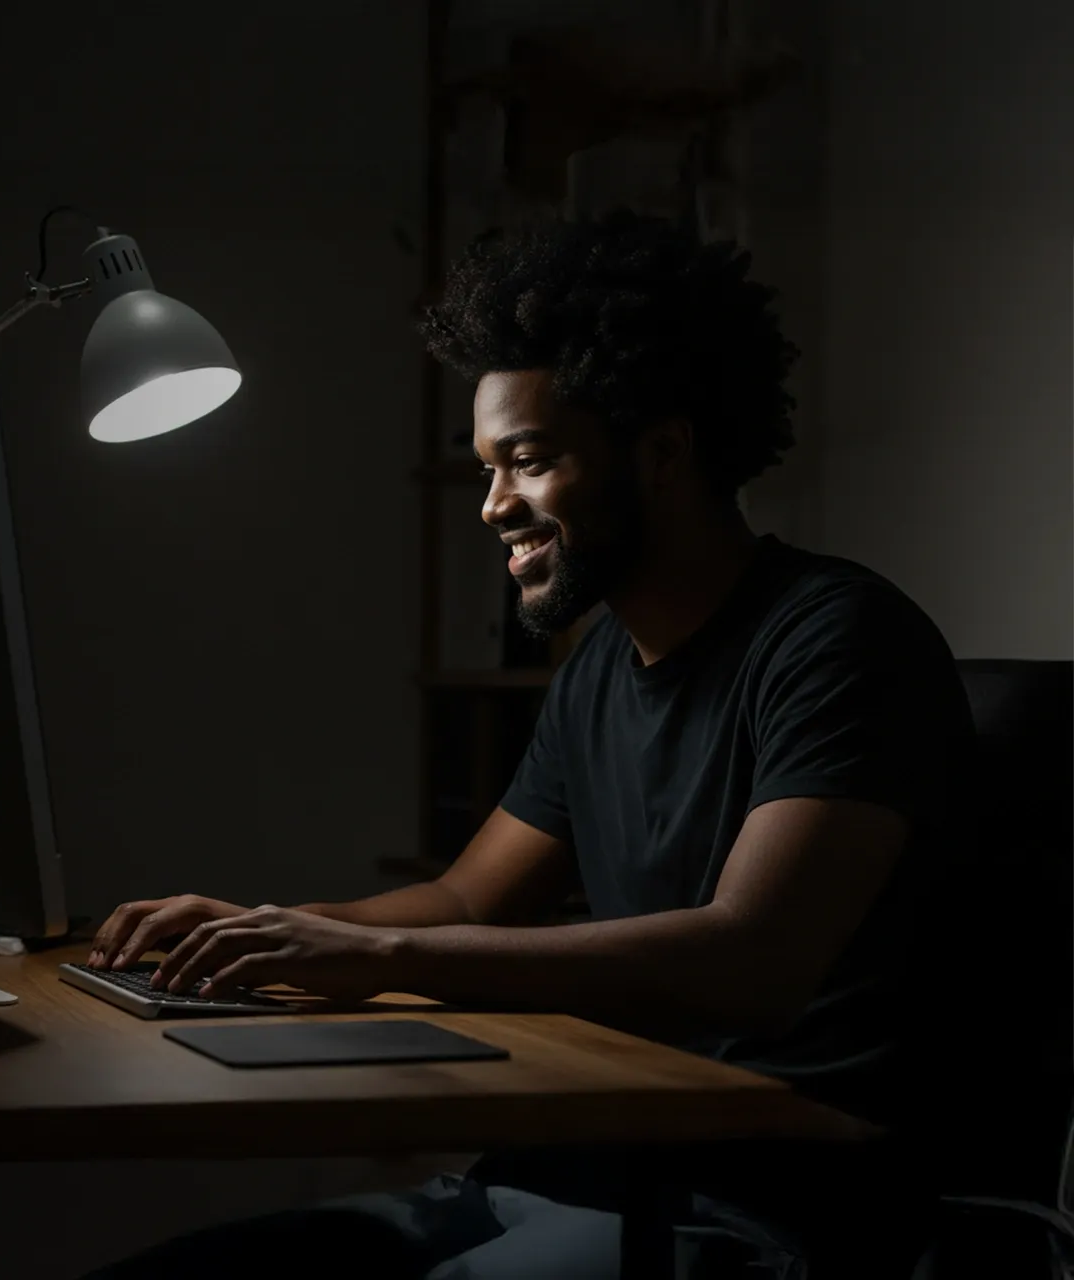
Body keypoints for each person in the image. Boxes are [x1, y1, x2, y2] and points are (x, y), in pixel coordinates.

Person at [81, 210, 974, 1279]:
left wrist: (379, 959)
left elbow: (752, 959)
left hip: (758, 1205)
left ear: (661, 451)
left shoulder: (838, 639)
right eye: (487, 468)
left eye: (530, 461)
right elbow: (465, 901)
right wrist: (267, 930)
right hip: (564, 1173)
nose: (494, 504)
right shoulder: (601, 665)